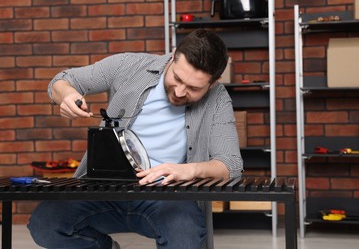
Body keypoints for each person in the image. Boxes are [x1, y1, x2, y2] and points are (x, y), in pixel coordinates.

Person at [28, 28, 243, 249]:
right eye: (177, 78)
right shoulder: (130, 66)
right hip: (106, 189)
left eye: (193, 88)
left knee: (185, 237)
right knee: (45, 224)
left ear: (213, 83)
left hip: (169, 197)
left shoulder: (218, 100)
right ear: (173, 54)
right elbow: (62, 80)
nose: (179, 91)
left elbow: (231, 165)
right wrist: (68, 95)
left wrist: (188, 171)